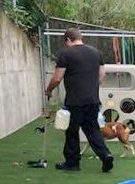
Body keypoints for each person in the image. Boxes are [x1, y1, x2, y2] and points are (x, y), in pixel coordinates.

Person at [45, 28, 113, 172]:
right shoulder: (96, 52)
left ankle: (72, 163)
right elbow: (101, 75)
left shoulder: (66, 54)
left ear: (68, 40)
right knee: (92, 129)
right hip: (92, 99)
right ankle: (105, 154)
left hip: (74, 101)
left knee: (72, 131)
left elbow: (57, 78)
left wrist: (49, 89)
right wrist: (92, 87)